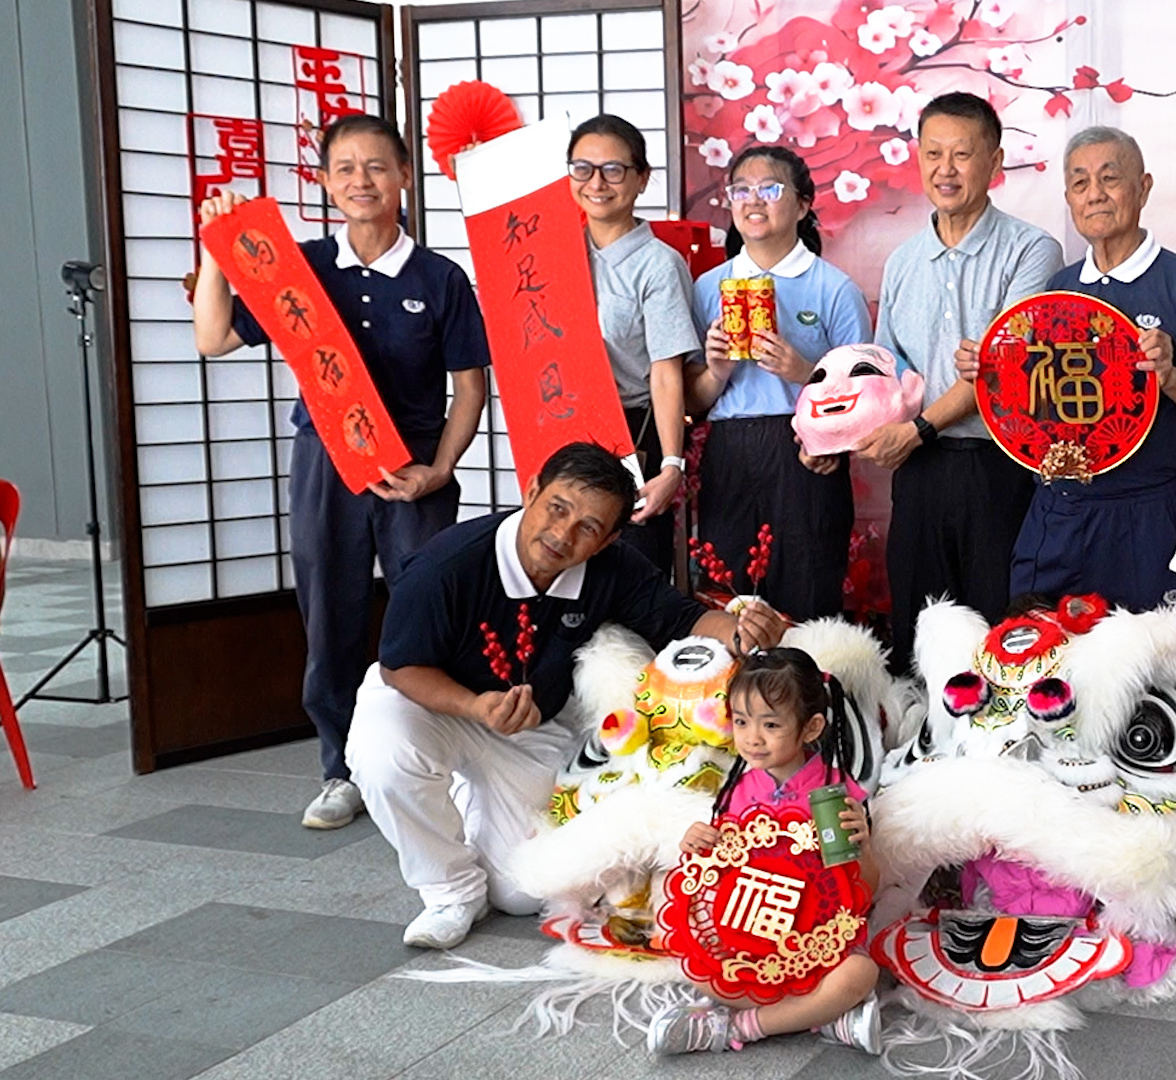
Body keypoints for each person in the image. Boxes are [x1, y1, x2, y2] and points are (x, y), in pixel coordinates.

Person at [345, 442, 787, 949]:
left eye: (588, 528)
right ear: (531, 490)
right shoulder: (445, 565)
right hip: (429, 702)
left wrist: (742, 630)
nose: (562, 534)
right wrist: (473, 706)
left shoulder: (613, 568)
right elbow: (401, 667)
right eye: (557, 508)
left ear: (608, 540)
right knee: (383, 754)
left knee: (523, 891)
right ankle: (450, 890)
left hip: (529, 724)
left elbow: (684, 621)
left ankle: (473, 803)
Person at [191, 114, 488, 831]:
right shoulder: (302, 267)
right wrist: (216, 251)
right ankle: (340, 768)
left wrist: (439, 471)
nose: (362, 180)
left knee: (427, 610)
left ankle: (437, 763)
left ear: (405, 177)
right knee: (331, 613)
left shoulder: (440, 278)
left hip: (412, 466)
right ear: (325, 181)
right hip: (326, 461)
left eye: (378, 166)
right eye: (345, 168)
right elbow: (213, 338)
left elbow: (470, 387)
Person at [861, 91, 1063, 672]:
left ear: (995, 164)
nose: (945, 170)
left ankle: (1001, 754)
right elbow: (887, 368)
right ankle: (925, 753)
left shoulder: (1031, 251)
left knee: (999, 623)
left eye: (962, 155)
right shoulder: (903, 262)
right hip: (919, 471)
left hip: (1000, 466)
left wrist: (917, 428)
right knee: (921, 625)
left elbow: (1005, 374)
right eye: (933, 154)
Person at [1007, 126, 1176, 611]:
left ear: (1143, 187)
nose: (1095, 195)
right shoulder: (1055, 293)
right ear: (1068, 197)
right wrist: (991, 369)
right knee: (1044, 655)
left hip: (1147, 510)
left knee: (1155, 666)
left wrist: (1170, 375)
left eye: (1110, 179)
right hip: (1059, 508)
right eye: (1080, 184)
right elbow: (1034, 407)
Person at [648, 647, 882, 1056]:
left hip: (811, 941)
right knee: (684, 941)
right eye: (741, 721)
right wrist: (699, 844)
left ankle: (742, 1025)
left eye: (770, 724)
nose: (751, 738)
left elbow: (864, 892)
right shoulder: (739, 787)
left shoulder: (829, 797)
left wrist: (860, 846)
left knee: (858, 974)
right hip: (752, 934)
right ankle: (821, 1018)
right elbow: (719, 876)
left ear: (811, 728)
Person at [687, 147, 870, 621]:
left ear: (803, 204)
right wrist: (717, 372)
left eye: (770, 189)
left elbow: (867, 396)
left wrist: (802, 372)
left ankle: (810, 689)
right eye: (741, 190)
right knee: (728, 595)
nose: (754, 200)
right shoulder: (708, 288)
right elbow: (692, 400)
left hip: (807, 453)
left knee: (807, 590)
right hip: (729, 452)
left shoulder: (833, 288)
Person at [569, 114, 700, 572]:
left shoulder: (658, 265)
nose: (597, 183)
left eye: (614, 169)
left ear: (641, 179)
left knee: (632, 578)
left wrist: (670, 466)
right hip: (563, 432)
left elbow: (667, 374)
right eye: (582, 169)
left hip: (631, 436)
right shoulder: (553, 255)